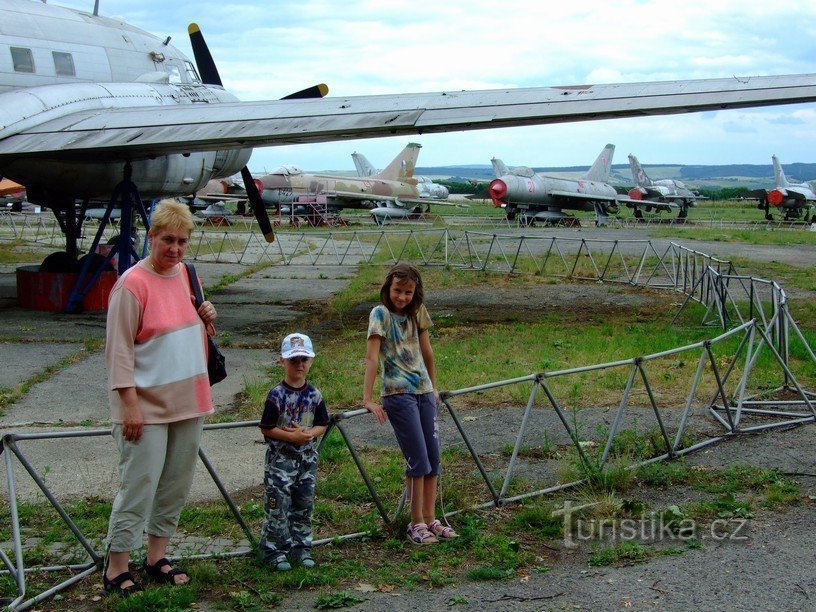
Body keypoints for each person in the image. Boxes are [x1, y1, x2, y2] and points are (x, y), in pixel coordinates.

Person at [103, 199, 218, 596]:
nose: (175, 249)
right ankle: (116, 566)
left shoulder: (186, 274)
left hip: (189, 399)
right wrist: (129, 405)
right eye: (167, 239)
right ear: (150, 237)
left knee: (174, 484)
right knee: (139, 484)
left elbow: (186, 329)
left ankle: (157, 557)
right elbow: (118, 351)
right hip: (145, 406)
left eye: (182, 241)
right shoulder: (131, 285)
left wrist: (206, 318)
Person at [363, 263, 458, 545]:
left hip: (424, 391)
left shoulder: (418, 312)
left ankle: (431, 518)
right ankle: (415, 522)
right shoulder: (379, 314)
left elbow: (427, 351)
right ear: (387, 288)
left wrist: (434, 387)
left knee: (433, 458)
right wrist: (367, 399)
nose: (402, 297)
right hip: (398, 393)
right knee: (417, 458)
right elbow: (371, 358)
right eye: (397, 291)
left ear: (415, 292)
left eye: (408, 292)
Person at [259, 332, 329, 570]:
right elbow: (266, 428)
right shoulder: (276, 395)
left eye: (303, 360)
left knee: (304, 504)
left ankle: (301, 546)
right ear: (282, 361)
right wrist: (292, 436)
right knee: (278, 505)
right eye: (293, 360)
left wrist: (310, 434)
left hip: (306, 461)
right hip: (280, 463)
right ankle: (274, 550)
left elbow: (323, 422)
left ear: (311, 361)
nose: (299, 365)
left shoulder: (315, 394)